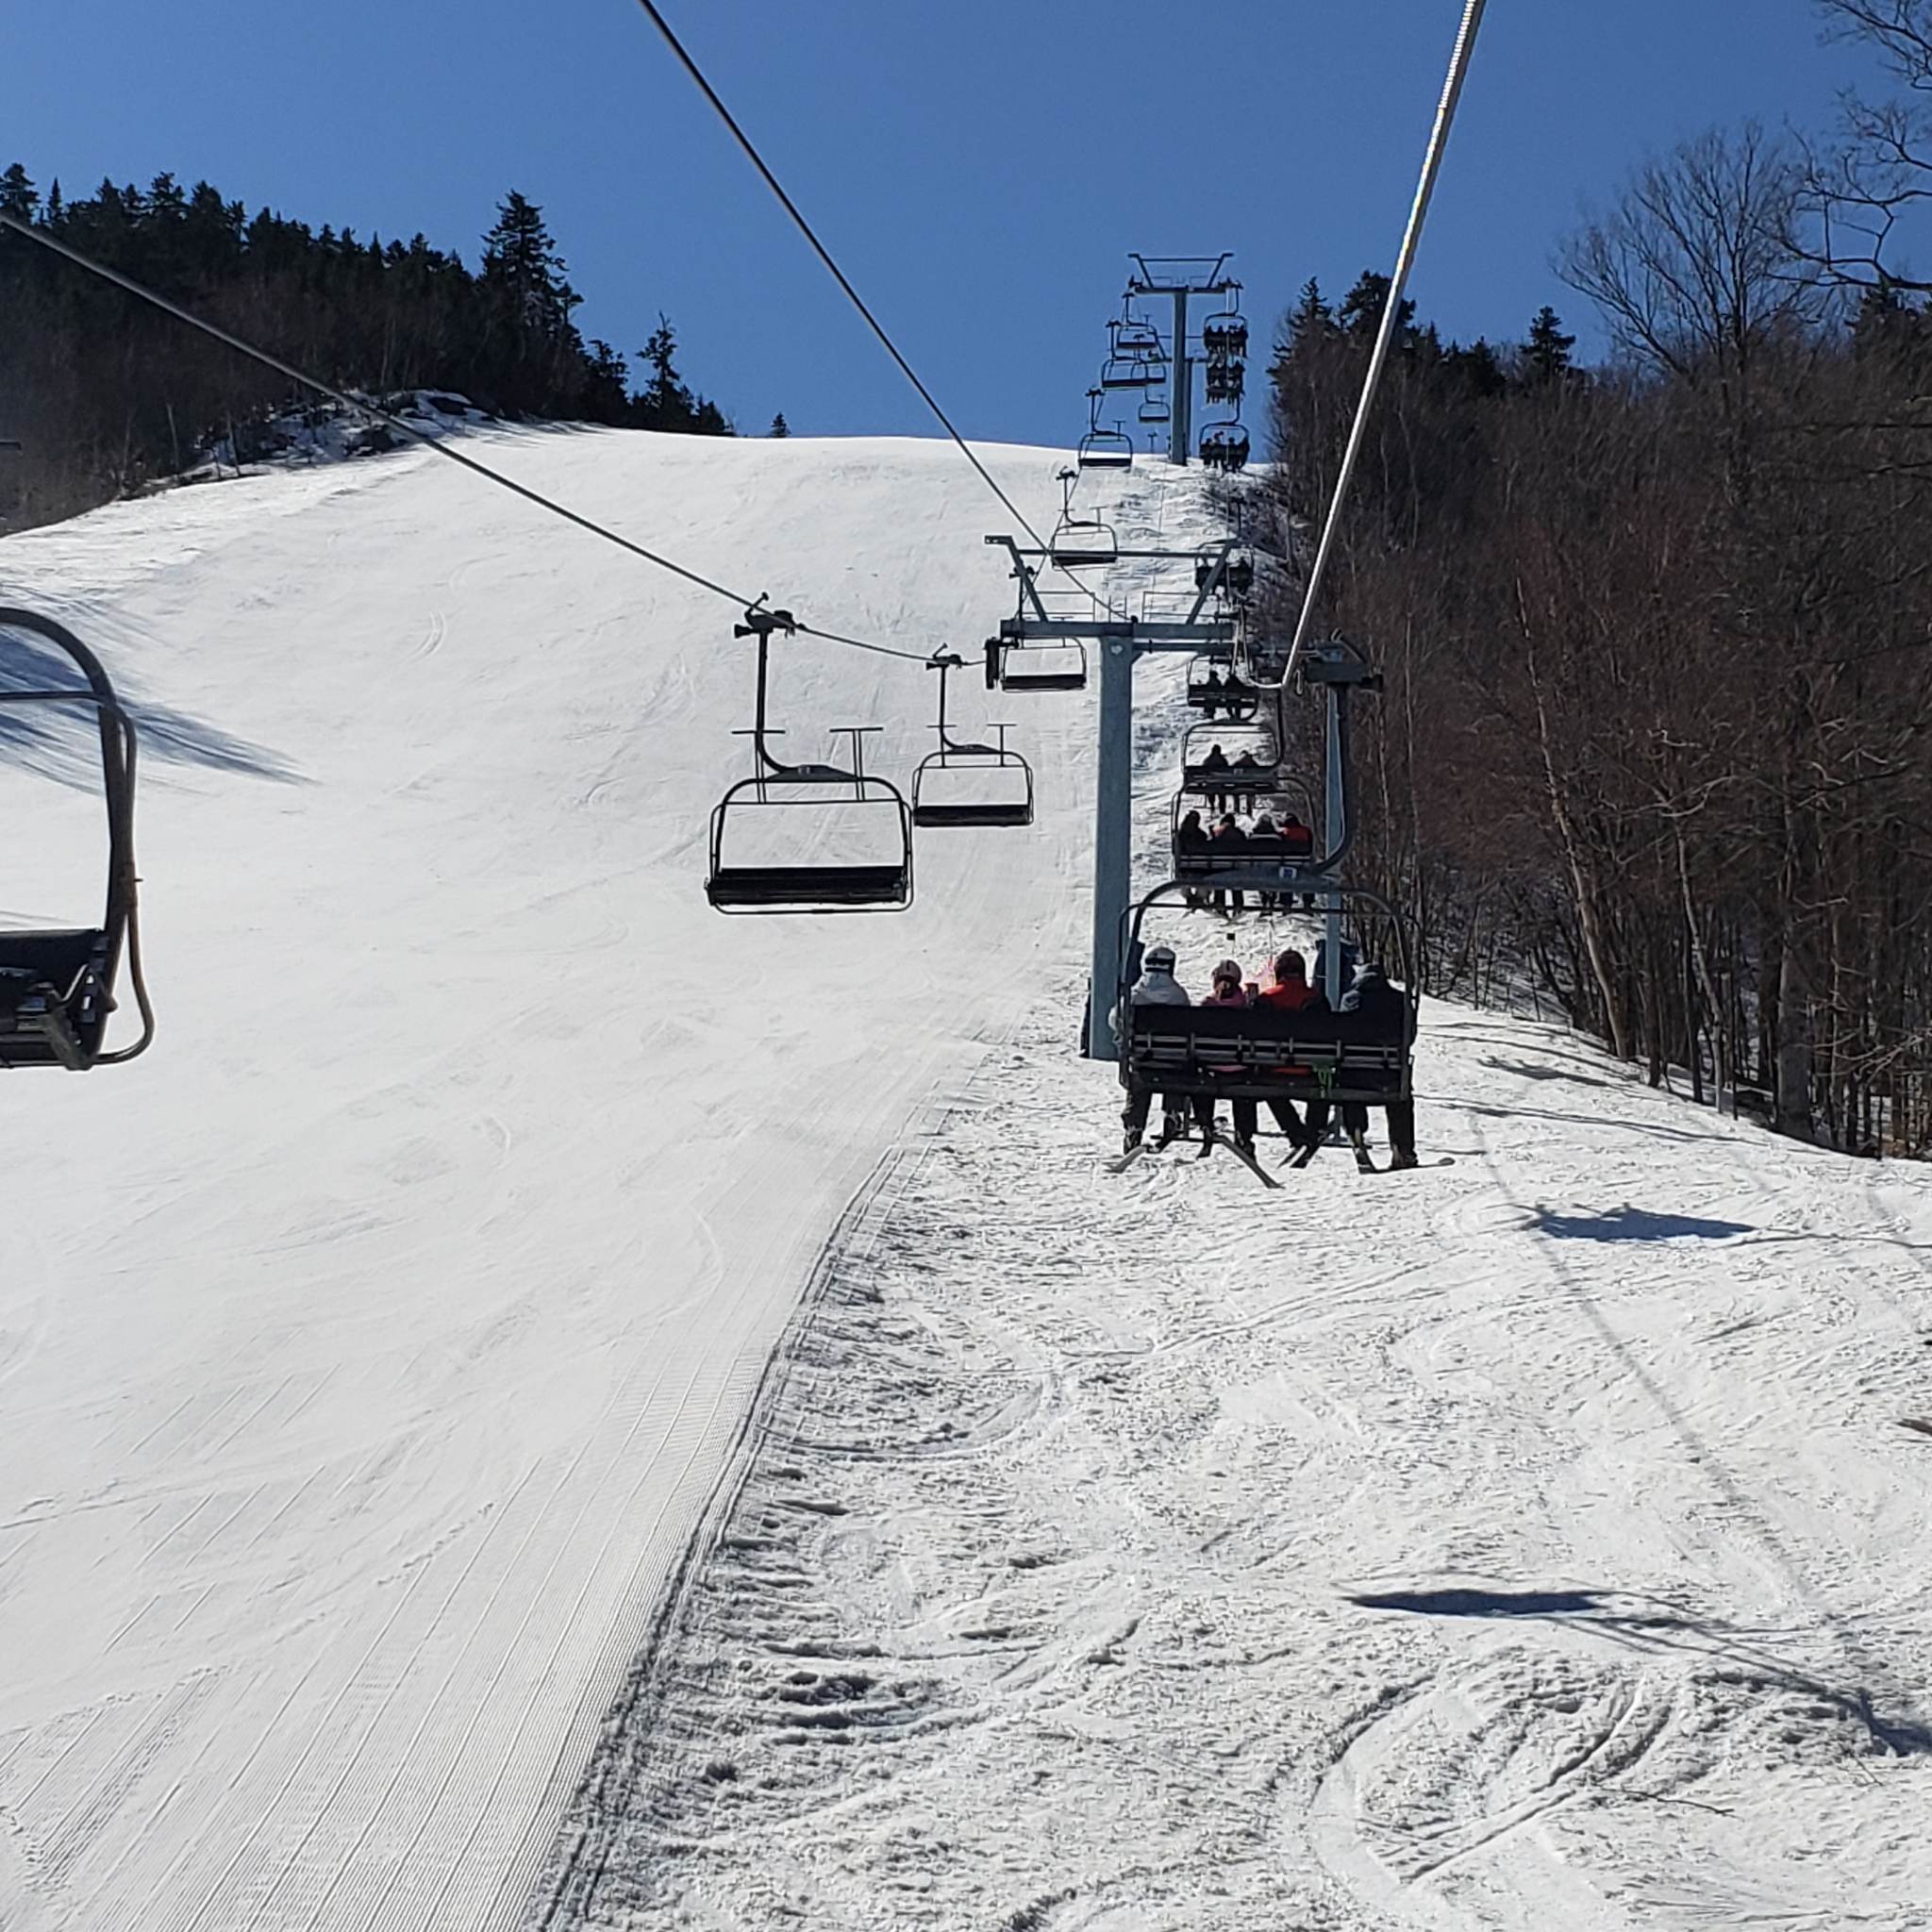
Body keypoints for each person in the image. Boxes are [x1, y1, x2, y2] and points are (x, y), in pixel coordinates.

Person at [1308, 961, 1418, 1168]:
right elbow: (1409, 1038)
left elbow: (1341, 1034)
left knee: (1350, 1089)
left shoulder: (1350, 999)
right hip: (1390, 1074)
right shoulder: (1399, 1001)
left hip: (1355, 1074)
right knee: (1401, 1101)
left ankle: (1356, 1129)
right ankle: (1402, 1148)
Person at [1112, 942, 1193, 1153]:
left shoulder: (1135, 994)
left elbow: (1115, 1019)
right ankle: (1173, 1112)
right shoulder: (1178, 996)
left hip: (1142, 1059)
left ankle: (1134, 1124)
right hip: (1174, 1062)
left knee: (1139, 1080)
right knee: (1178, 1073)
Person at [1249, 948, 1328, 1156]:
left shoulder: (1266, 999)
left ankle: (1294, 1131)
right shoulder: (1316, 999)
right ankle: (1313, 1128)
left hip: (1274, 1067)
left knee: (1270, 1088)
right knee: (1323, 1085)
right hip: (1309, 1068)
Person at [1194, 959, 1249, 1153]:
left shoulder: (1207, 1004)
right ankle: (1245, 1135)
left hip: (1211, 1067)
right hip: (1240, 1067)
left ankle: (1205, 1124)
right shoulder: (1246, 1005)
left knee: (1200, 1082)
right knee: (1244, 1091)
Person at [1208, 812, 1248, 916]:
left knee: (1219, 878)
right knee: (1236, 880)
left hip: (1219, 864)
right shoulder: (1239, 833)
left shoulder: (1217, 832)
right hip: (1236, 864)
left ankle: (1219, 903)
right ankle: (1238, 904)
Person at [1175, 808, 1210, 909]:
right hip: (1201, 866)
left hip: (1185, 865)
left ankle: (1189, 897)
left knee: (1184, 877)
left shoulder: (1181, 834)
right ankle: (1200, 897)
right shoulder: (1200, 834)